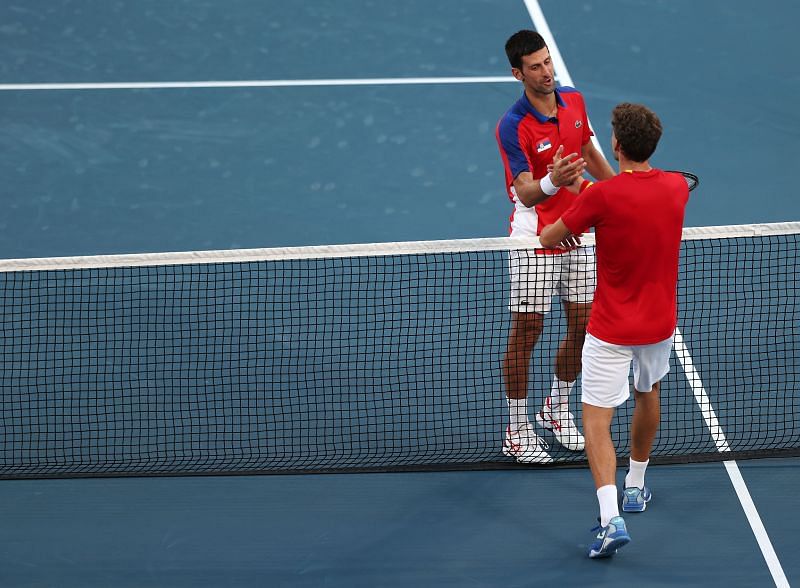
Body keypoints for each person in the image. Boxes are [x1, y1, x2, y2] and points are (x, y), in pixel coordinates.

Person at [540, 103, 689, 558]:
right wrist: (586, 192)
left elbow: (549, 238)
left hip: (610, 330)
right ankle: (636, 487)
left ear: (617, 146)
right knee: (649, 395)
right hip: (659, 325)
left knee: (595, 421)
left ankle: (610, 519)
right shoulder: (677, 188)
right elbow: (627, 199)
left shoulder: (601, 199)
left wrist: (573, 197)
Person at [495, 30, 615, 463]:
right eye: (535, 66)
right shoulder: (513, 126)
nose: (546, 72)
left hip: (578, 231)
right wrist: (554, 181)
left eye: (547, 62)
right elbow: (525, 191)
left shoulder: (575, 101)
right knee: (528, 333)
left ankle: (557, 408)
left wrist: (620, 190)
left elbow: (587, 148)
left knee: (584, 327)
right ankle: (517, 427)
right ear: (517, 73)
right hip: (534, 238)